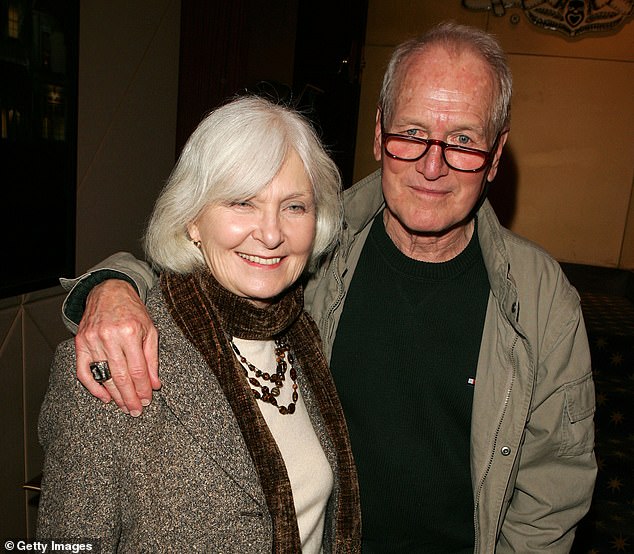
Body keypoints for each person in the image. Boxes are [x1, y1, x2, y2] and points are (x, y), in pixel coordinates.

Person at [57, 22, 596, 552]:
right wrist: (110, 286)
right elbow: (200, 272)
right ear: (380, 133)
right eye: (412, 134)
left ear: (496, 154)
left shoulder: (540, 299)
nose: (434, 165)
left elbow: (555, 486)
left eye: (462, 140)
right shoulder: (325, 255)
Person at [36, 96, 362, 552]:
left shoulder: (308, 338)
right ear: (192, 219)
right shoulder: (114, 358)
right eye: (242, 202)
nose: (271, 234)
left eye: (294, 207)